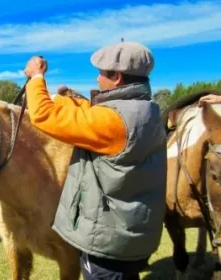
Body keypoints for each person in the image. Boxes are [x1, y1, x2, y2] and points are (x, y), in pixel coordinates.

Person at [23, 42, 167, 280]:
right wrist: (74, 101)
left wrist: (36, 78)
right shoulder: (147, 111)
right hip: (130, 233)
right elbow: (96, 115)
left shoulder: (113, 120)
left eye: (101, 73)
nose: (97, 79)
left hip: (108, 242)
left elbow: (44, 115)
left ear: (117, 77)